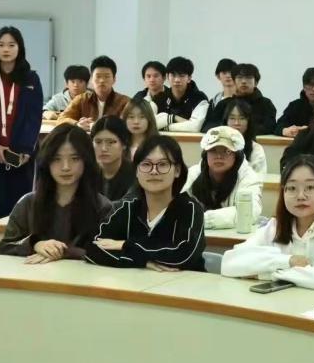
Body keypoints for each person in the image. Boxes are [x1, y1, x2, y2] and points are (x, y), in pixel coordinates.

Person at [221, 155, 314, 289]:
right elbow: (228, 263)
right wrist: (288, 261)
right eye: (292, 188)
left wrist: (267, 274)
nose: (301, 196)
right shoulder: (275, 226)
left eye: (310, 187)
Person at [85, 135, 206, 271]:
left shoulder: (190, 209)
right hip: (136, 286)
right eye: (146, 164)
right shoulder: (129, 209)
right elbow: (92, 247)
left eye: (162, 164)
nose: (154, 171)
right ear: (136, 170)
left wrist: (126, 245)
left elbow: (183, 255)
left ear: (177, 170)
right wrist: (142, 262)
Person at [0, 123, 113, 263]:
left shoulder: (102, 207)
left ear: (86, 161)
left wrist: (63, 251)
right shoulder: (28, 203)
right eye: (56, 159)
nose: (65, 167)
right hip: (35, 280)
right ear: (46, 162)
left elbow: (109, 254)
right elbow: (3, 249)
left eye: (74, 159)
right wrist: (35, 244)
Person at [0, 27, 43, 223]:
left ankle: (18, 249)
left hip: (21, 157)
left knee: (19, 209)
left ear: (19, 48)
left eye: (12, 45)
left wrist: (25, 150)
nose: (6, 49)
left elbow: (34, 116)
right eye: (1, 44)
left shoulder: (30, 78)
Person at [183, 126, 262, 231]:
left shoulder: (248, 177)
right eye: (213, 150)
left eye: (226, 151)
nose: (219, 156)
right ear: (205, 154)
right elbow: (176, 207)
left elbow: (249, 211)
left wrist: (201, 219)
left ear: (236, 155)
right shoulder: (193, 174)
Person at [58, 55, 131, 130]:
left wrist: (100, 126)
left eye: (107, 76)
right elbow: (62, 118)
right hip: (86, 141)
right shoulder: (81, 99)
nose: (102, 80)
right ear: (91, 79)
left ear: (114, 79)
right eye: (98, 76)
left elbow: (129, 124)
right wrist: (77, 124)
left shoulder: (124, 102)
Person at [202, 63, 277, 135]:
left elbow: (270, 127)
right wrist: (228, 130)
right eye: (239, 78)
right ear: (234, 81)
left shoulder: (266, 104)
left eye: (248, 78)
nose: (243, 81)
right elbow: (207, 127)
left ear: (256, 82)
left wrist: (243, 130)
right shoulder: (224, 104)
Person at [155, 56, 209, 132]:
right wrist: (173, 118)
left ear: (189, 78)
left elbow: (194, 127)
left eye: (181, 76)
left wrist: (165, 125)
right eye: (173, 75)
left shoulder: (199, 98)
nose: (177, 80)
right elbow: (149, 123)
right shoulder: (160, 97)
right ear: (167, 77)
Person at [90, 116, 134, 202]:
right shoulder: (87, 172)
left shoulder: (135, 175)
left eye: (111, 142)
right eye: (98, 142)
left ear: (124, 144)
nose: (103, 148)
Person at [277, 67, 314, 137]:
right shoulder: (295, 106)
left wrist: (308, 130)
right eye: (309, 85)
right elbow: (278, 126)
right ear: (304, 87)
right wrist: (286, 130)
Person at [219, 98, 268, 174]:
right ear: (226, 121)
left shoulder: (256, 149)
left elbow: (259, 178)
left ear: (248, 122)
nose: (236, 123)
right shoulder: (216, 146)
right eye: (232, 118)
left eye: (242, 118)